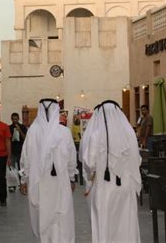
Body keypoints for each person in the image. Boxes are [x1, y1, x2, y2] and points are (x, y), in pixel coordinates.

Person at [81, 100, 141, 243]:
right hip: (126, 188)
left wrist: (91, 176)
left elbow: (89, 163)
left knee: (105, 225)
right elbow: (137, 160)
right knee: (126, 224)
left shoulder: (96, 135)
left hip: (104, 188)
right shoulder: (129, 133)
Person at [20, 98, 77, 243]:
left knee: (43, 215)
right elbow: (71, 159)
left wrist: (24, 179)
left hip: (39, 181)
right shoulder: (64, 132)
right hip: (59, 182)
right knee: (60, 214)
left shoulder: (33, 132)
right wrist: (71, 177)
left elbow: (25, 158)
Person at [8, 112, 27, 192]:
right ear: (11, 119)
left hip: (20, 150)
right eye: (13, 119)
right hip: (12, 150)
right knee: (12, 168)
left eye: (16, 119)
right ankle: (12, 185)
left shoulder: (22, 127)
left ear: (18, 119)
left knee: (21, 168)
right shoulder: (9, 127)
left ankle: (21, 184)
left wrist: (19, 130)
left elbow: (25, 138)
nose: (15, 120)